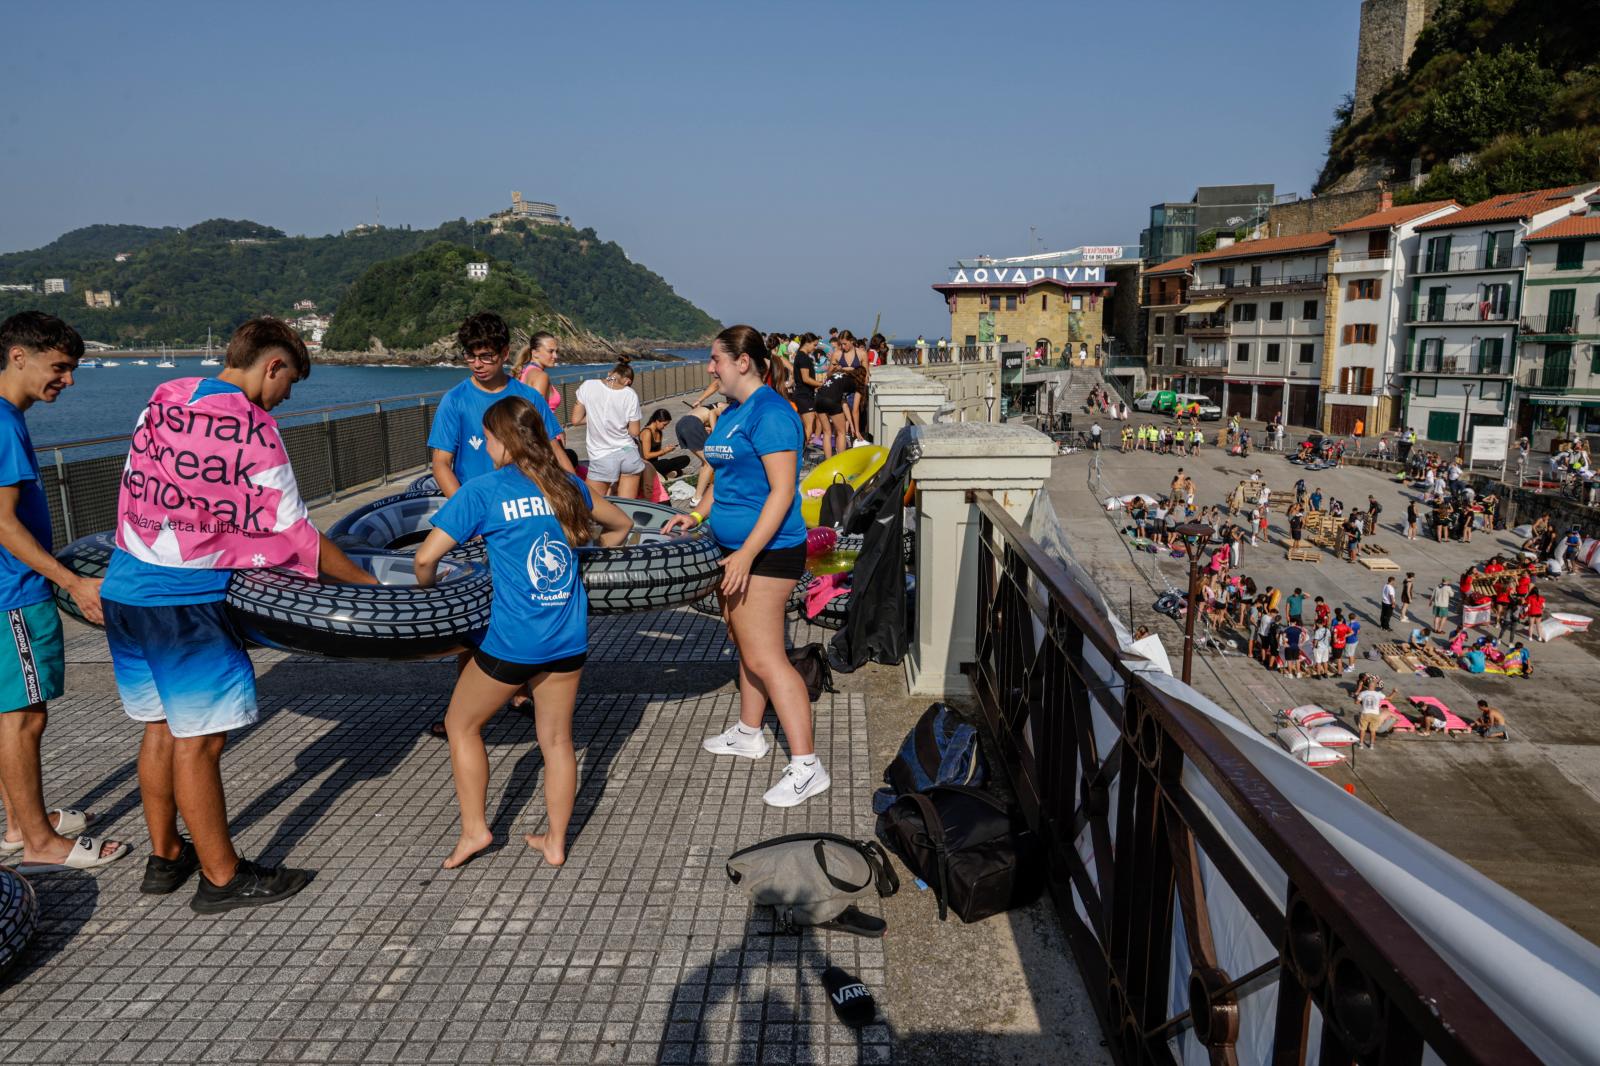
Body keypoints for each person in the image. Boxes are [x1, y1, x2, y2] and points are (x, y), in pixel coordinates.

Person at [105, 318, 377, 911]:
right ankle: (223, 877)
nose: (285, 399)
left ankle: (164, 857)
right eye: (290, 385)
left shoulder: (164, 399)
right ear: (273, 365)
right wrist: (371, 585)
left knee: (161, 728)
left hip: (124, 584)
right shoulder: (252, 428)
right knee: (199, 744)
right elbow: (298, 535)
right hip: (183, 603)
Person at [414, 397, 632, 869]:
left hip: (513, 641)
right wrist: (586, 566)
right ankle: (555, 842)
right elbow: (622, 525)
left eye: (488, 437)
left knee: (460, 724)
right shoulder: (568, 484)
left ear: (503, 440)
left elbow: (425, 559)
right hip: (567, 637)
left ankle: (475, 831)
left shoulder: (483, 490)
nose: (485, 445)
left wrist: (431, 597)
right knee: (556, 741)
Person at [662, 326, 829, 807]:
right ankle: (749, 732)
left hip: (768, 552)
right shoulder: (734, 413)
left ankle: (807, 766)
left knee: (767, 658)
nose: (709, 368)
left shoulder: (772, 414)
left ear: (742, 362)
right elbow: (729, 482)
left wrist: (747, 554)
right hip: (734, 548)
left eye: (715, 359)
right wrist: (695, 513)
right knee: (747, 645)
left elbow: (781, 493)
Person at [0, 312, 131, 874]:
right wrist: (73, 581)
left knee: (11, 715)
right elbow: (4, 523)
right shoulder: (4, 423)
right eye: (60, 367)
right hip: (15, 594)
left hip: (8, 591)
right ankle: (38, 842)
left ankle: (19, 824)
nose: (69, 380)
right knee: (23, 718)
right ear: (18, 356)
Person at [429, 313, 571, 500]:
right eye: (470, 356)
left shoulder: (530, 397)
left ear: (505, 353)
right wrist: (465, 513)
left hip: (526, 504)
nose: (477, 364)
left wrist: (576, 498)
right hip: (479, 506)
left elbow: (556, 452)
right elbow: (441, 464)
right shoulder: (454, 400)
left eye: (486, 356)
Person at [572, 359, 645, 499]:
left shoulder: (588, 385)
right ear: (627, 381)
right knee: (627, 510)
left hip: (602, 457)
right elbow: (634, 432)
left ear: (610, 373)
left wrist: (595, 416)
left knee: (591, 507)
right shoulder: (630, 394)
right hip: (629, 453)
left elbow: (575, 420)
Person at [513, 331, 563, 412]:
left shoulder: (524, 372)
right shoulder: (540, 376)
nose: (555, 356)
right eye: (550, 351)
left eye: (556, 352)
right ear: (535, 353)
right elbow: (536, 413)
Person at [1355, 681, 1389, 749]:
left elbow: (1356, 702)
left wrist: (1357, 696)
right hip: (1375, 714)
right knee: (1373, 731)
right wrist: (1394, 692)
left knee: (1362, 729)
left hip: (1365, 713)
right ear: (1375, 686)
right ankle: (1371, 745)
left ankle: (1361, 744)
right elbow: (1389, 698)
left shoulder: (1363, 693)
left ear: (1368, 686)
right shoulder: (1379, 694)